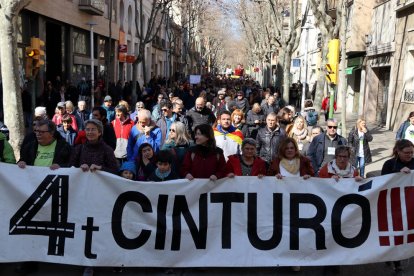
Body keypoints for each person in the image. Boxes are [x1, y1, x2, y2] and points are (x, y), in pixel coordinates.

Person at [381, 139, 414, 272]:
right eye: (406, 153)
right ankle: (395, 260)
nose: (410, 155)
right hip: (394, 205)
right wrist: (398, 173)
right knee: (396, 233)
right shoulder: (389, 164)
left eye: (412, 152)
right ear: (398, 151)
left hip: (411, 204)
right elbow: (382, 182)